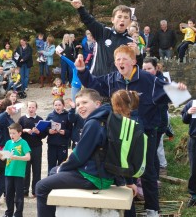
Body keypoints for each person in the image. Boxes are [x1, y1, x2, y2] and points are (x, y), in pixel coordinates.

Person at [75, 45, 187, 216]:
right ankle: (128, 208)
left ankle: (152, 209)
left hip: (145, 134)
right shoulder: (113, 79)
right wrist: (82, 70)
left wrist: (179, 90)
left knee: (147, 171)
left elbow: (173, 95)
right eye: (118, 59)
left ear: (134, 62)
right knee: (124, 170)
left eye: (124, 59)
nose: (121, 62)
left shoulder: (148, 79)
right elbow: (93, 83)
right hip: (121, 133)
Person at [35, 89, 135, 217]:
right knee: (53, 171)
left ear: (97, 104)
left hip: (92, 177)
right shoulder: (109, 118)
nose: (80, 107)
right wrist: (128, 181)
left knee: (41, 186)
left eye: (85, 102)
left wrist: (63, 168)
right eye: (78, 105)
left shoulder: (94, 123)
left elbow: (79, 156)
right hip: (105, 175)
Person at [70, 0, 141, 76]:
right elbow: (89, 21)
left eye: (126, 17)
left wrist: (138, 54)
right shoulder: (103, 32)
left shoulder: (131, 42)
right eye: (119, 17)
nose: (122, 20)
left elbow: (137, 68)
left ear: (130, 22)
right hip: (96, 80)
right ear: (112, 20)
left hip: (117, 83)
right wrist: (80, 8)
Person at [0, 123, 31, 217]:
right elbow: (4, 157)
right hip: (9, 172)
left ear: (20, 133)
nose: (11, 135)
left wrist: (16, 157)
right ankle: (8, 213)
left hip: (19, 173)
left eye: (13, 133)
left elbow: (28, 157)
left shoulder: (23, 142)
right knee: (8, 195)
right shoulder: (8, 143)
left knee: (19, 196)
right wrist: (0, 155)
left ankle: (18, 214)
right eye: (10, 133)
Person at [18, 101, 47, 197]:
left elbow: (43, 135)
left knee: (37, 169)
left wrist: (38, 132)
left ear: (36, 108)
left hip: (37, 147)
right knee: (26, 169)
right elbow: (17, 132)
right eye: (29, 107)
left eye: (33, 107)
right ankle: (24, 190)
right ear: (27, 108)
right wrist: (24, 130)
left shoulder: (40, 119)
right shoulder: (22, 119)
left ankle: (35, 190)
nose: (31, 109)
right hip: (25, 148)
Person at [0, 101, 16, 205]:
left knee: (8, 171)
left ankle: (6, 194)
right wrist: (6, 111)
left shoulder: (9, 117)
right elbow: (0, 121)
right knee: (5, 170)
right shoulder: (1, 117)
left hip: (8, 149)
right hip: (2, 149)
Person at [181, 81, 196, 208]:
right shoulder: (191, 103)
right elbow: (184, 120)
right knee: (194, 168)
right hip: (194, 139)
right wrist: (188, 113)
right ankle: (194, 195)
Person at [45, 98, 72, 174]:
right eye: (55, 105)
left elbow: (71, 130)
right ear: (53, 106)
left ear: (63, 106)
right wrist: (49, 131)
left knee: (62, 165)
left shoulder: (67, 116)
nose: (57, 107)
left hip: (63, 144)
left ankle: (59, 182)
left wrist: (65, 132)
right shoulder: (50, 116)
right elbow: (45, 128)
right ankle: (50, 181)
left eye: (59, 105)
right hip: (52, 144)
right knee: (51, 164)